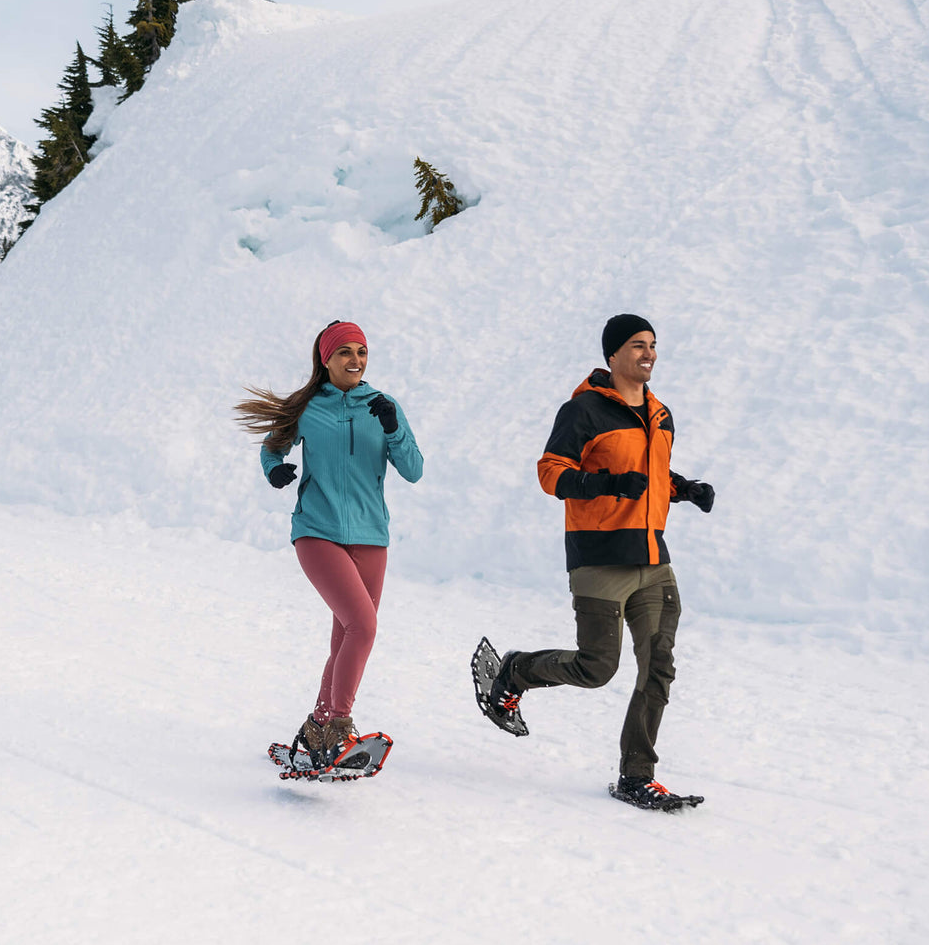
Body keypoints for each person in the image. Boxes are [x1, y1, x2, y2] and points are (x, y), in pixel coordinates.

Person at [479, 314, 715, 809]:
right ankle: (517, 671)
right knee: (596, 667)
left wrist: (683, 489)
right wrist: (604, 484)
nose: (648, 353)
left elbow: (651, 471)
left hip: (653, 559)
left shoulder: (660, 414)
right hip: (600, 558)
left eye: (653, 345)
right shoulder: (583, 411)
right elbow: (551, 473)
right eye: (637, 345)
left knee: (658, 667)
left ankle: (636, 775)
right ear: (612, 355)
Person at [236, 320, 423, 769]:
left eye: (361, 352)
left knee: (346, 635)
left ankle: (318, 727)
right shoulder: (307, 408)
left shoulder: (383, 405)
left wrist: (394, 429)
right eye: (345, 352)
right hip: (317, 531)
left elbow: (413, 469)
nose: (355, 360)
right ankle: (339, 725)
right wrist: (274, 470)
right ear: (327, 358)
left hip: (371, 536)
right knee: (363, 625)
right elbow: (271, 449)